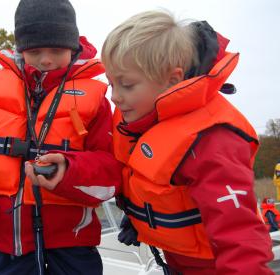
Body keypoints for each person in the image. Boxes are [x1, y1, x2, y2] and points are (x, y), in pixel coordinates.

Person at [0, 0, 122, 274]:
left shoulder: (96, 99)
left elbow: (112, 171)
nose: (46, 60)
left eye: (57, 50)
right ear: (21, 49)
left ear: (73, 47)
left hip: (73, 248)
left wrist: (69, 171)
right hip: (6, 249)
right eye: (35, 51)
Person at [102, 10, 274, 274]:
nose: (115, 97)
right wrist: (138, 218)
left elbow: (240, 234)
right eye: (111, 84)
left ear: (172, 80)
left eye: (126, 85)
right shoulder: (147, 122)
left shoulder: (212, 139)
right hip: (177, 261)